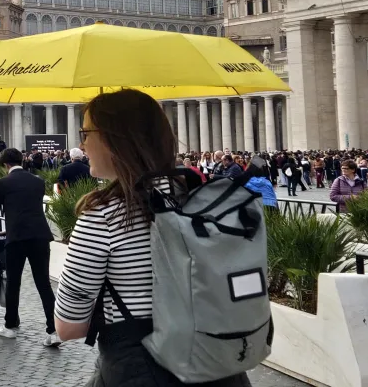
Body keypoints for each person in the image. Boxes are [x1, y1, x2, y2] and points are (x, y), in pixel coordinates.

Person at [54, 89, 251, 386]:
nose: (82, 143)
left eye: (86, 132)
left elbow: (69, 327)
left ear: (113, 139)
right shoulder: (206, 200)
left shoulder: (103, 216)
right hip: (221, 369)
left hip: (142, 368)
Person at [0, 148, 59, 346]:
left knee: (13, 282)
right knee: (43, 283)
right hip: (40, 235)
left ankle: (10, 326)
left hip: (16, 237)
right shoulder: (38, 181)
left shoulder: (3, 183)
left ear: (6, 165)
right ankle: (53, 330)